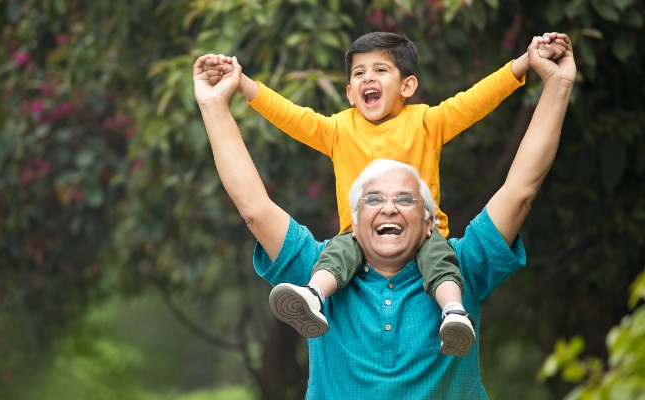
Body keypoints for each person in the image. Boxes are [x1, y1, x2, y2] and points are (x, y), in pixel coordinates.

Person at [194, 33, 574, 398]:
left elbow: (519, 188)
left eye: (406, 199)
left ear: (428, 219)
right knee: (321, 279)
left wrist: (551, 81)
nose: (389, 206)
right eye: (373, 198)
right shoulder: (321, 264)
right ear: (355, 218)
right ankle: (313, 298)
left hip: (443, 270)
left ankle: (453, 313)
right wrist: (218, 102)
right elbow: (256, 207)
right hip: (330, 274)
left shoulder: (463, 265)